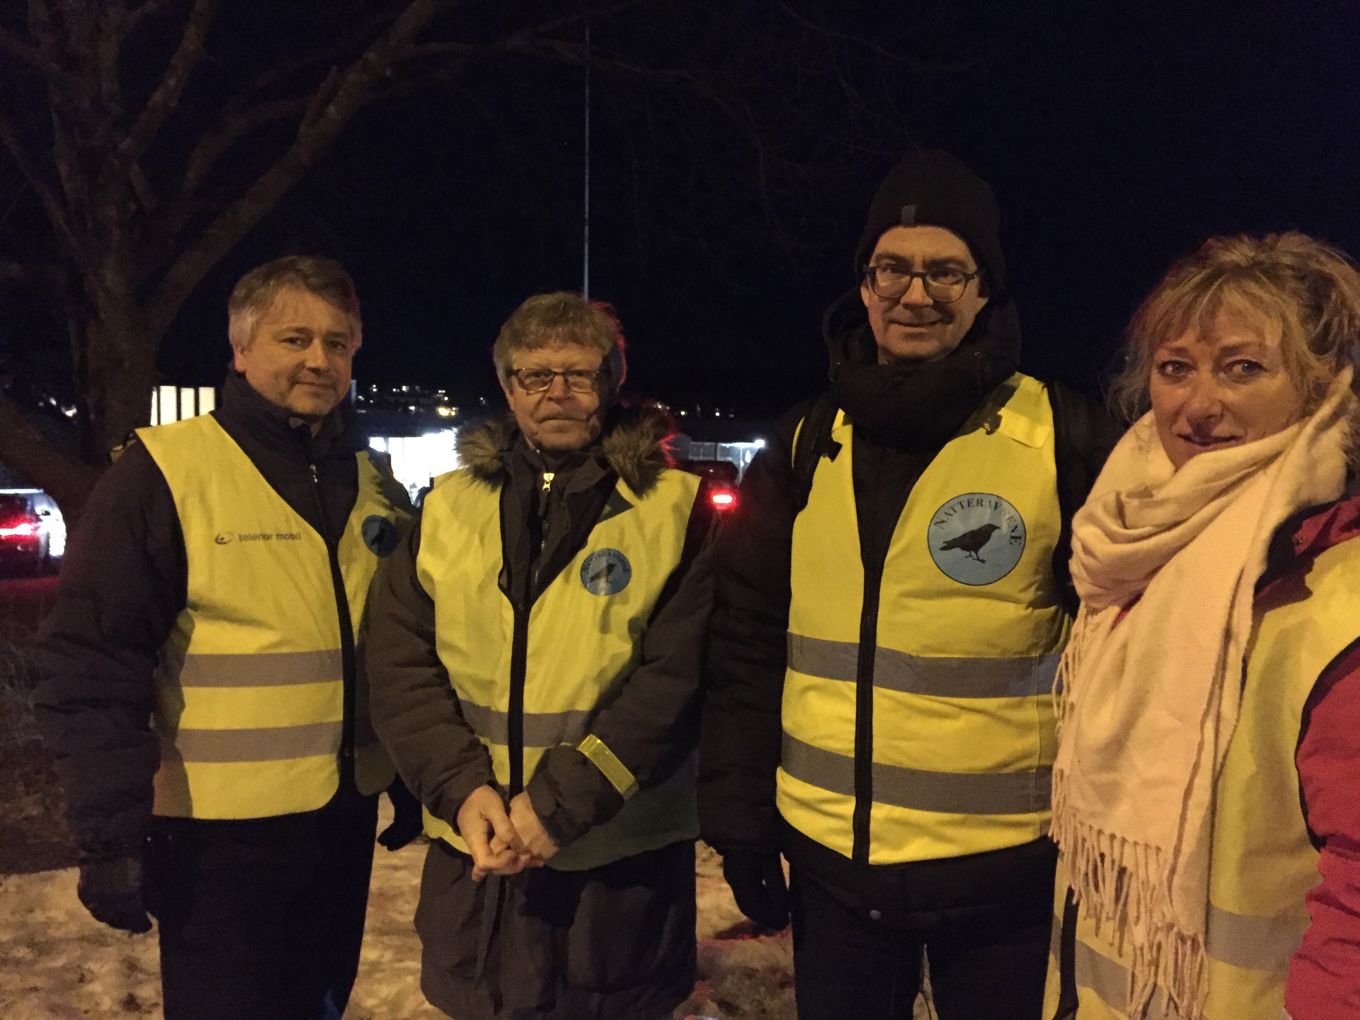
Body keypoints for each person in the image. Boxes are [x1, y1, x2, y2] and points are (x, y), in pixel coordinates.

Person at [698, 149, 1117, 1019]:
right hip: (834, 871)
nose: (914, 293)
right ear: (863, 283)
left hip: (1004, 876)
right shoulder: (807, 442)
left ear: (983, 290)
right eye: (893, 267)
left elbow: (1123, 656)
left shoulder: (1066, 437)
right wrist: (739, 818)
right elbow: (745, 638)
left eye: (945, 271)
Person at [35, 255, 419, 1019]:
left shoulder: (371, 484)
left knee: (319, 1005)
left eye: (338, 343)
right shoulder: (165, 475)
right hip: (216, 841)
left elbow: (393, 645)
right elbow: (92, 659)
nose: (319, 359)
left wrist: (407, 773)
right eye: (295, 338)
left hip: (341, 822)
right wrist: (108, 833)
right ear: (241, 351)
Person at [366, 291, 714, 1019]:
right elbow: (401, 664)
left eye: (578, 375)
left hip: (616, 867)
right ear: (507, 387)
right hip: (479, 852)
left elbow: (675, 681)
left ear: (611, 383)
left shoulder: (675, 510)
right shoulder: (448, 507)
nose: (556, 392)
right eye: (534, 375)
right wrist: (463, 790)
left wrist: (558, 806)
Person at [1044, 233, 1360, 1020]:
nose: (1197, 404)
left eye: (1243, 368)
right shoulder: (1129, 539)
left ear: (1324, 386)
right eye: (1175, 366)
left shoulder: (1335, 589)